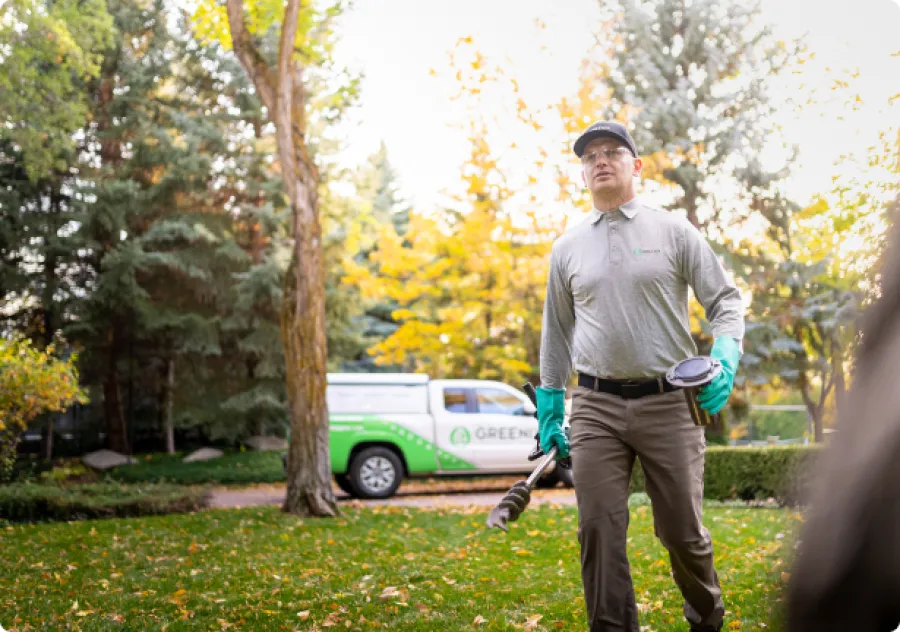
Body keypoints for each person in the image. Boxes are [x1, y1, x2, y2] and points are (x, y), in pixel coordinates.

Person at [536, 121, 745, 632]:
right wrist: (548, 405)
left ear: (636, 166)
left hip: (669, 403)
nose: (600, 161)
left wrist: (725, 356)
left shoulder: (673, 231)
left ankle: (706, 619)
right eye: (590, 157)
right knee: (598, 532)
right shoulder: (567, 248)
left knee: (682, 533)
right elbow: (557, 333)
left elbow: (725, 301)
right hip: (594, 406)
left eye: (612, 152)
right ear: (583, 173)